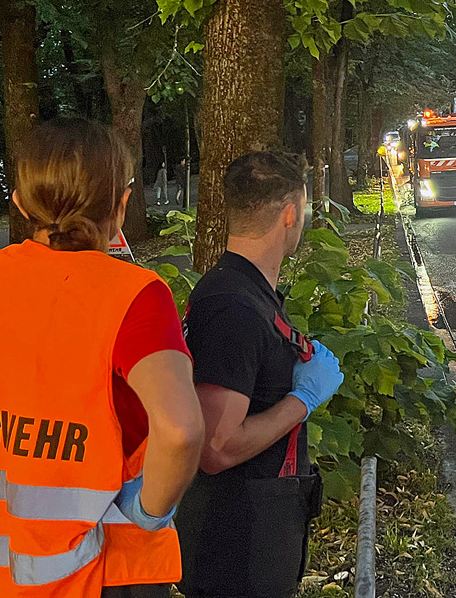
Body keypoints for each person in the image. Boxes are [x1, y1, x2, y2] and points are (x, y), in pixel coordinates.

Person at [0, 117, 204, 598]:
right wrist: (145, 514)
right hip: (92, 571)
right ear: (121, 205)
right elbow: (181, 430)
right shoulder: (134, 297)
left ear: (20, 202)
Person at [176, 151, 344, 598]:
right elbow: (216, 446)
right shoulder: (233, 306)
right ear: (290, 213)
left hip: (253, 535)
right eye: (304, 209)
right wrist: (303, 400)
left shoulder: (244, 290)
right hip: (237, 547)